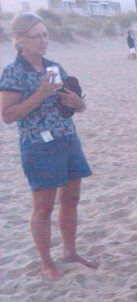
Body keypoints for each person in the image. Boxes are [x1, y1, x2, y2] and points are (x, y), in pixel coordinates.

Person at [1, 12, 96, 281]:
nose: (43, 41)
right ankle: (46, 262)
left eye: (45, 35)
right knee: (43, 206)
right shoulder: (13, 72)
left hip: (67, 138)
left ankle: (70, 252)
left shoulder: (54, 67)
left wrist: (78, 103)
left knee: (71, 199)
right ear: (20, 40)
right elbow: (7, 115)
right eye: (37, 36)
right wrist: (40, 93)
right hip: (37, 145)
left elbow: (77, 104)